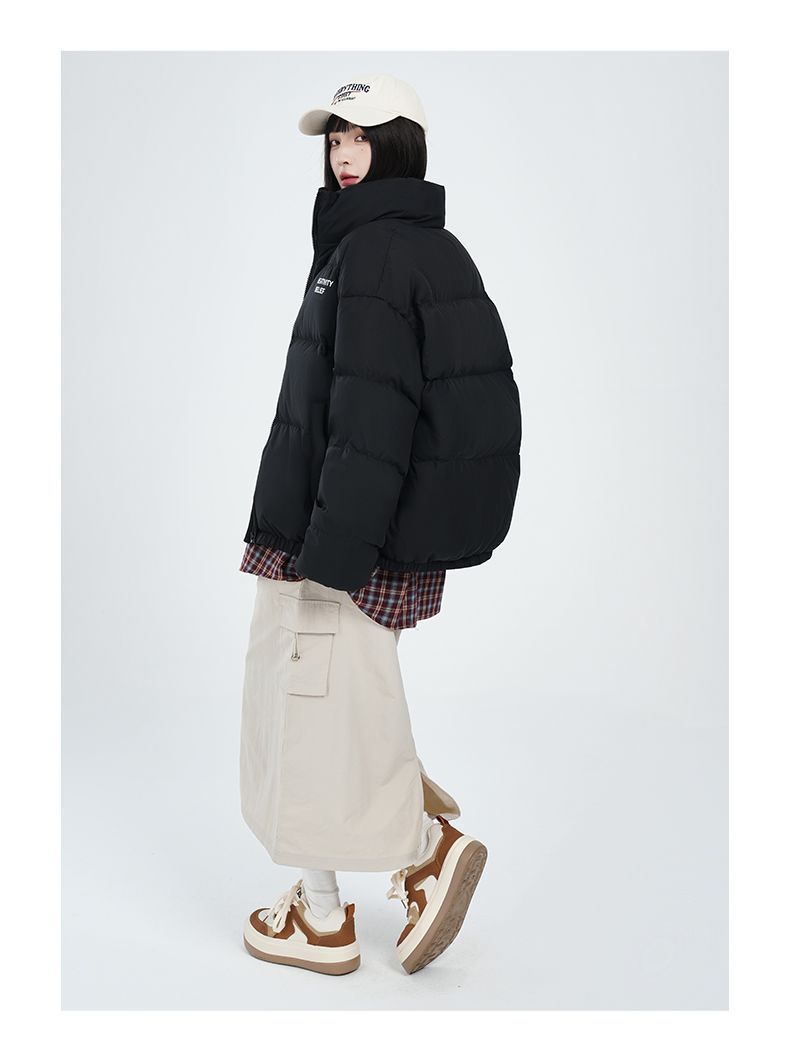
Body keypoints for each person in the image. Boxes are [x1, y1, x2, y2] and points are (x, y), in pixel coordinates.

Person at [238, 74, 521, 976]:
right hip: (360, 525)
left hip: (338, 535)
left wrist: (329, 555)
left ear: (400, 144)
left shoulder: (370, 256)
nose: (344, 155)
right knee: (324, 712)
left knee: (306, 709)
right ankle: (323, 903)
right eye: (335, 140)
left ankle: (418, 852)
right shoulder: (413, 246)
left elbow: (372, 418)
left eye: (362, 136)